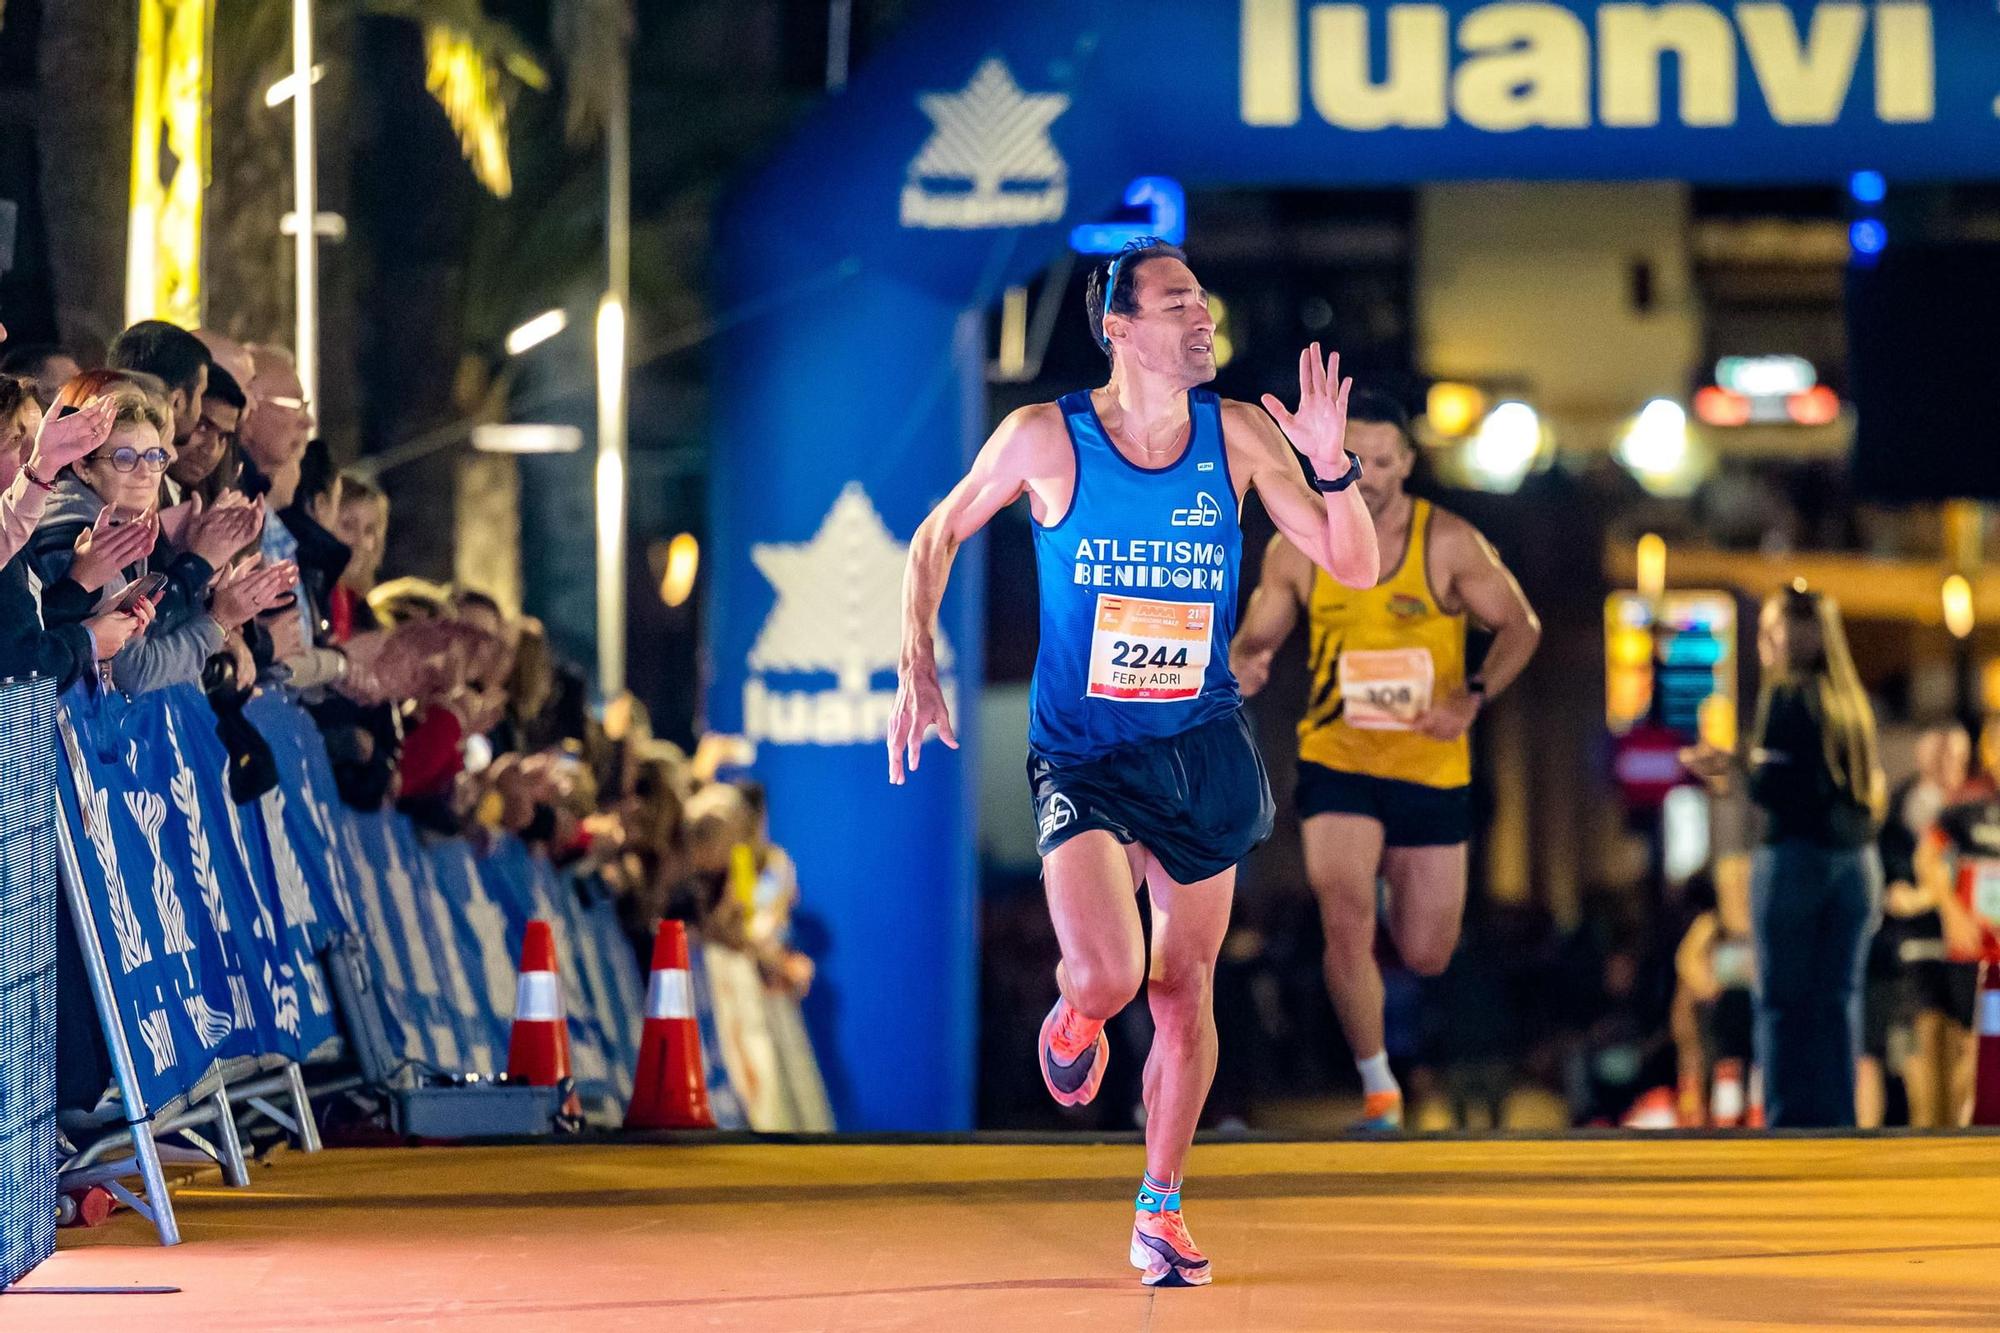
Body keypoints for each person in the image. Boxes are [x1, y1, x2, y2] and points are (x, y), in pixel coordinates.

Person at [888, 238, 1376, 1288]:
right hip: (1082, 755)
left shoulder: (1238, 434)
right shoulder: (1043, 441)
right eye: (1175, 304)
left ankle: (1158, 1206)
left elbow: (1351, 563)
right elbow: (935, 534)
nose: (1201, 319)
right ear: (1117, 326)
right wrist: (915, 659)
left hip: (1197, 747)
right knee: (1112, 975)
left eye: (1204, 301)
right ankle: (1074, 1013)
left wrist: (1331, 465)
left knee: (1185, 983)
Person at [1228, 389, 1540, 1131]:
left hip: (1431, 765)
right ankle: (1380, 1089)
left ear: (1407, 464)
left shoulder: (1450, 542)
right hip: (1338, 757)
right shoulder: (1300, 543)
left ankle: (1405, 894)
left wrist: (1471, 694)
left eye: (1380, 460)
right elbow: (1260, 629)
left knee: (1428, 950)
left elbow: (1520, 627)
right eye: (1351, 458)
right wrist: (1247, 654)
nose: (1364, 475)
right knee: (1343, 908)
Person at [1685, 583, 1886, 1128]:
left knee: (1781, 1004)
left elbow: (1780, 789)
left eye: (1768, 629)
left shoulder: (1787, 694)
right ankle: (1835, 1125)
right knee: (1837, 1003)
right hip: (1857, 867)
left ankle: (1789, 1128)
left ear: (1786, 636)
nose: (1763, 642)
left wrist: (1731, 769)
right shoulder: (1852, 704)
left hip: (1797, 862)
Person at [1878, 724, 1970, 1127]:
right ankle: (1928, 1140)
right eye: (1939, 755)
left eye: (1955, 757)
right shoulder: (1902, 808)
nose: (1947, 764)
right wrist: (1934, 896)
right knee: (1924, 1048)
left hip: (1970, 952)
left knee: (1972, 1048)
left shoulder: (1976, 808)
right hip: (1917, 950)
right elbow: (1896, 886)